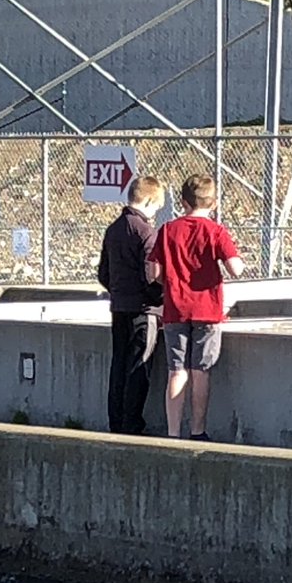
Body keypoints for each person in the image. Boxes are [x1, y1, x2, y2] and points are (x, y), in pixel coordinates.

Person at [148, 174, 245, 441]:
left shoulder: (167, 230)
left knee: (176, 370)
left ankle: (172, 432)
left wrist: (169, 279)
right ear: (213, 203)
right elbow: (236, 268)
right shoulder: (216, 231)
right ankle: (198, 430)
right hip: (207, 310)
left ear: (183, 202)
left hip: (175, 309)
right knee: (200, 371)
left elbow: (153, 272)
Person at [96, 175, 166, 434]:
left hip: (119, 307)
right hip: (143, 310)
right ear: (147, 201)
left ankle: (116, 421)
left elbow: (103, 273)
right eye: (156, 207)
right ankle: (132, 422)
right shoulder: (146, 232)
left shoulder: (113, 229)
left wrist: (119, 291)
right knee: (139, 364)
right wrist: (160, 299)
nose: (155, 213)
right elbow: (150, 276)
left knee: (119, 364)